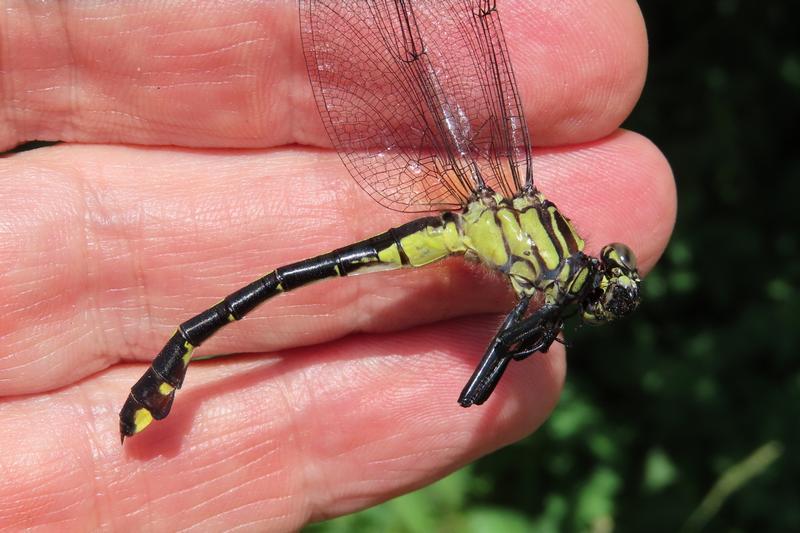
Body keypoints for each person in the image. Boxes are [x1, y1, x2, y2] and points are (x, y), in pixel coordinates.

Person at [0, 1, 675, 530]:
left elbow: (500, 359)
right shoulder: (550, 274)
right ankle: (182, 350)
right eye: (601, 277)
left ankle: (178, 356)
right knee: (272, 287)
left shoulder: (550, 280)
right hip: (464, 222)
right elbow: (500, 359)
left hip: (474, 228)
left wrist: (526, 336)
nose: (594, 279)